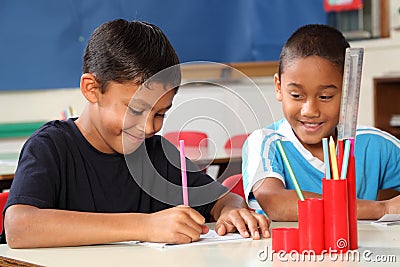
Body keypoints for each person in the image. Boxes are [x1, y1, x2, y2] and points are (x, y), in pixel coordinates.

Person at [1, 19, 269, 248]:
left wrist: (231, 210)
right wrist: (145, 226)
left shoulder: (157, 154)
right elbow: (20, 227)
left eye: (160, 114)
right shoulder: (51, 147)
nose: (149, 127)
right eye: (136, 109)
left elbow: (222, 198)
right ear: (92, 89)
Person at [242, 24, 400, 221]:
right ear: (278, 87)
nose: (310, 111)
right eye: (296, 95)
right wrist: (382, 209)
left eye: (325, 97)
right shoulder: (266, 142)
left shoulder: (375, 145)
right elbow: (276, 203)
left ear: (349, 92)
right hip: (285, 253)